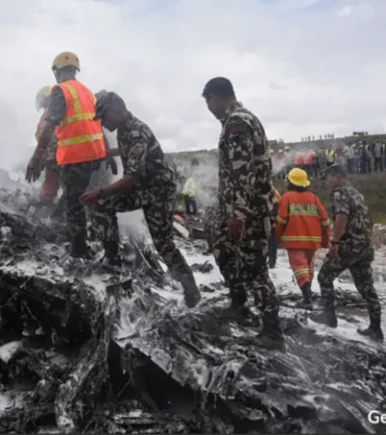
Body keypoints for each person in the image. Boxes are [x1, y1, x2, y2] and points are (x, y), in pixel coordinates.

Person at [81, 91, 201, 307]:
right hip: (142, 188)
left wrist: (102, 191)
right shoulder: (124, 128)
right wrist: (110, 153)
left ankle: (191, 290)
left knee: (163, 242)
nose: (103, 123)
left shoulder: (136, 131)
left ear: (117, 110)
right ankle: (113, 260)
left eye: (104, 117)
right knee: (102, 206)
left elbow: (131, 177)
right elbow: (129, 151)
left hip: (157, 191)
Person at [202, 76, 284, 349]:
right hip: (235, 208)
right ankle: (239, 304)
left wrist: (238, 214)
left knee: (255, 270)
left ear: (217, 97)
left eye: (209, 102)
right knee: (221, 247)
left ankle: (272, 331)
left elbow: (243, 173)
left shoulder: (237, 123)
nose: (209, 109)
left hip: (248, 210)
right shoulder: (236, 121)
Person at [26, 52, 117, 258]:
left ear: (57, 71)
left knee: (74, 208)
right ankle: (112, 253)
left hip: (75, 158)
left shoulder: (61, 91)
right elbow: (96, 124)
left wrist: (35, 158)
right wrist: (106, 153)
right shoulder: (86, 92)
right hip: (94, 157)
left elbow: (50, 127)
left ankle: (79, 253)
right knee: (94, 202)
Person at [309, 164, 383, 341]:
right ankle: (376, 327)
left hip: (348, 245)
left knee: (324, 277)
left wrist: (335, 243)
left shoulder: (339, 193)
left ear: (336, 176)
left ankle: (329, 318)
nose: (326, 182)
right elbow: (368, 219)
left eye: (327, 178)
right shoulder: (357, 193)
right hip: (363, 246)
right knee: (366, 286)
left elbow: (342, 216)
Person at [275, 168, 331, 310]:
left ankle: (306, 300)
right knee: (308, 266)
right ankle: (308, 295)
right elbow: (325, 220)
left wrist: (276, 238)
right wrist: (325, 241)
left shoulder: (287, 197)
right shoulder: (313, 198)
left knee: (299, 268)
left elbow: (281, 220)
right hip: (312, 240)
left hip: (294, 240)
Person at [33, 85, 61, 207]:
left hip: (54, 156)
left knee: (49, 189)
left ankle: (46, 208)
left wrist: (38, 158)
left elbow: (46, 134)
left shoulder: (50, 113)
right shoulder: (58, 110)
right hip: (60, 154)